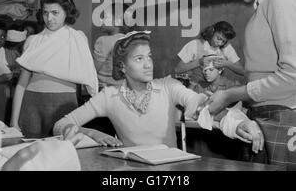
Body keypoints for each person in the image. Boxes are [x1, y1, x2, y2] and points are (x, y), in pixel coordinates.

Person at [53, 31, 263, 154]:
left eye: (150, 56)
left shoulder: (167, 86)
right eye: (139, 59)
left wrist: (238, 124)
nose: (148, 64)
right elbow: (60, 125)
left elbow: (202, 105)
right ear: (122, 66)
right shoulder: (109, 96)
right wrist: (90, 133)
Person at [207, 0, 296, 170]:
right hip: (268, 115)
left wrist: (229, 95)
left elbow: (293, 75)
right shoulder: (266, 3)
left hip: (284, 117)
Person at [10, 0, 98, 138]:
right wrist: (13, 121)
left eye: (55, 13)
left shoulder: (77, 39)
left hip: (64, 105)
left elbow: (88, 78)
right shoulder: (33, 41)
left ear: (66, 12)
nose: (49, 18)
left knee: (62, 154)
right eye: (45, 12)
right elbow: (21, 84)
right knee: (32, 156)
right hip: (31, 105)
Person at [175, 21, 244, 78]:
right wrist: (198, 62)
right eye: (218, 38)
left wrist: (227, 64)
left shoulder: (227, 48)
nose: (219, 43)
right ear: (212, 31)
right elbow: (177, 69)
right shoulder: (195, 44)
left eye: (223, 41)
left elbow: (242, 71)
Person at [93, 3, 132, 89]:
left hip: (106, 91)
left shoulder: (103, 41)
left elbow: (93, 70)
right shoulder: (131, 40)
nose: (100, 20)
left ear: (118, 20)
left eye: (104, 16)